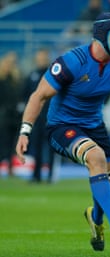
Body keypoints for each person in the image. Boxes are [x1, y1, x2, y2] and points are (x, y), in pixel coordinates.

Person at [15, 12, 110, 251]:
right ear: (102, 36)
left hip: (94, 126)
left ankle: (95, 219)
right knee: (96, 158)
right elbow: (38, 96)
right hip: (62, 127)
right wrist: (25, 131)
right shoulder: (71, 62)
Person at [21, 48, 56, 183]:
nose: (41, 59)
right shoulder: (32, 75)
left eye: (43, 57)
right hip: (37, 118)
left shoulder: (54, 74)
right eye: (39, 57)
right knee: (36, 146)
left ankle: (51, 176)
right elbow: (25, 95)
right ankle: (36, 175)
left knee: (53, 147)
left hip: (51, 117)